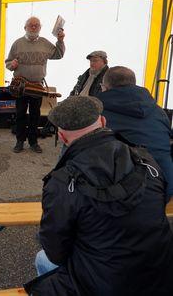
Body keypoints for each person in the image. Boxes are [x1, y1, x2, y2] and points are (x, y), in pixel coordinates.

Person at [26, 96, 173, 295]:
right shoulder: (146, 160)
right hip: (160, 273)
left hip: (105, 284)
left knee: (42, 258)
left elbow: (56, 253)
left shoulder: (62, 182)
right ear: (103, 122)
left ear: (62, 137)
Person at [98, 66, 173, 199]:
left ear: (105, 87)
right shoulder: (159, 111)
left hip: (124, 195)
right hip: (165, 186)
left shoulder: (98, 113)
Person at [5, 16, 65, 153]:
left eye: (36, 25)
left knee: (35, 115)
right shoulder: (17, 44)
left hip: (37, 86)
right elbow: (8, 62)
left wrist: (60, 40)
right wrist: (11, 65)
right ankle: (20, 141)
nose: (33, 27)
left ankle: (33, 142)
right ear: (24, 27)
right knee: (20, 114)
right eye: (31, 25)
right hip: (20, 86)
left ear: (40, 28)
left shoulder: (45, 43)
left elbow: (59, 54)